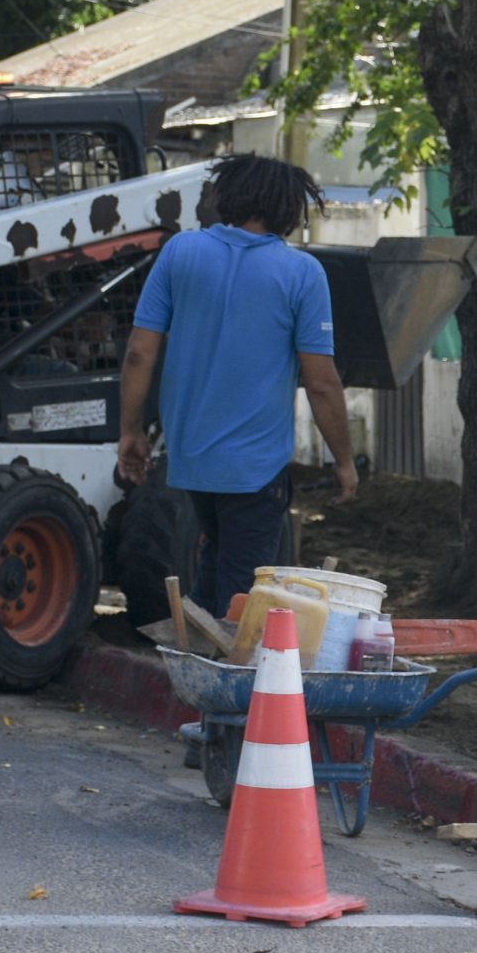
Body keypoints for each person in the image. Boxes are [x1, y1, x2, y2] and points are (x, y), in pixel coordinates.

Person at [117, 154, 357, 617]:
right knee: (244, 603)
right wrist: (344, 460)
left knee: (214, 569)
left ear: (226, 196)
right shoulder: (302, 273)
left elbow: (139, 353)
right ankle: (233, 682)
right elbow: (322, 383)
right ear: (288, 208)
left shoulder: (180, 253)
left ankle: (195, 672)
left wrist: (130, 432)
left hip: (192, 460)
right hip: (255, 467)